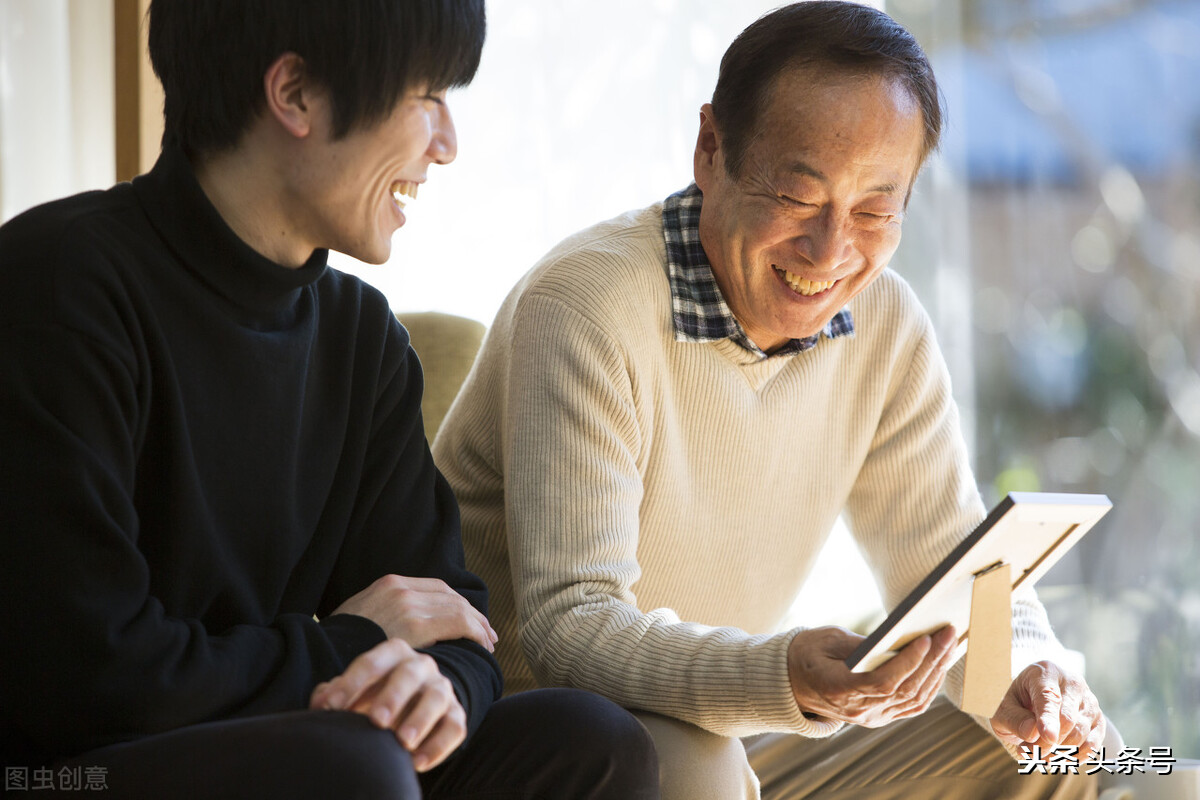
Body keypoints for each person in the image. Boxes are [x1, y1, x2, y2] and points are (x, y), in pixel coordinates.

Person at [432, 2, 1115, 798]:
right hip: (536, 738)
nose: (831, 253)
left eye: (873, 212)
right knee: (692, 766)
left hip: (733, 725)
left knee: (1051, 749)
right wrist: (781, 672)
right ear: (711, 149)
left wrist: (1032, 670)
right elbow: (570, 627)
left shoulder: (886, 325)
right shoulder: (589, 306)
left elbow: (950, 569)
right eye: (799, 197)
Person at [0, 1, 658, 798]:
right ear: (297, 94)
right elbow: (86, 676)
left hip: (280, 740)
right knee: (355, 767)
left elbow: (453, 619)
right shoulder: (58, 283)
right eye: (427, 97)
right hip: (63, 770)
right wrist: (352, 646)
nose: (447, 147)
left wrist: (437, 688)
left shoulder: (361, 336)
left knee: (593, 741)